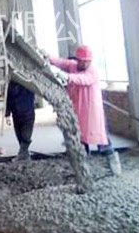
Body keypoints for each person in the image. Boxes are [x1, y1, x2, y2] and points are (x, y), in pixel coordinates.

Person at [48, 44, 121, 175]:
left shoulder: (92, 72)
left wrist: (68, 77)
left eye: (87, 61)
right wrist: (48, 57)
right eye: (82, 61)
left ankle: (114, 166)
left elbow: (82, 79)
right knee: (80, 142)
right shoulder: (73, 66)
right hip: (78, 111)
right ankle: (83, 171)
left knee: (102, 140)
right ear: (77, 60)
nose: (85, 64)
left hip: (91, 113)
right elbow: (61, 62)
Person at [5, 81, 36, 161]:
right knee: (20, 137)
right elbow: (8, 100)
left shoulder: (28, 83)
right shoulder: (11, 85)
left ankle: (21, 155)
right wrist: (7, 114)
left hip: (28, 114)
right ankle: (25, 155)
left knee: (26, 137)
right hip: (16, 114)